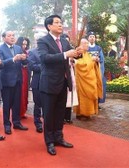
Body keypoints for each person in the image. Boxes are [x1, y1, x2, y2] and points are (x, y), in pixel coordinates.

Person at [37, 15, 80, 155]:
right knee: (49, 114)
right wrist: (65, 54)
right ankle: (49, 142)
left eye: (61, 22)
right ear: (49, 26)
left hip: (63, 83)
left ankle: (59, 137)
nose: (60, 25)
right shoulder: (43, 41)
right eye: (57, 23)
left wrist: (77, 53)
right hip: (49, 83)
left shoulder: (64, 41)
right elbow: (44, 58)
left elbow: (71, 54)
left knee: (60, 113)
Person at [0, 31, 28, 135]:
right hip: (6, 81)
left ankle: (17, 122)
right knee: (7, 104)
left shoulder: (18, 48)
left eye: (13, 35)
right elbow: (1, 64)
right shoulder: (0, 49)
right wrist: (14, 59)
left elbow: (24, 63)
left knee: (17, 103)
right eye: (9, 36)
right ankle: (7, 125)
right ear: (3, 38)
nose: (12, 37)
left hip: (18, 80)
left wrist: (24, 59)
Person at [75, 38, 103, 120]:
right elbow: (79, 65)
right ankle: (81, 113)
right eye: (85, 43)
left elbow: (90, 62)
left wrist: (95, 61)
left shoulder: (87, 53)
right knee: (83, 96)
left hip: (90, 79)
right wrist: (92, 60)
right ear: (81, 45)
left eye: (87, 43)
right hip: (82, 80)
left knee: (90, 95)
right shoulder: (78, 53)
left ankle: (88, 113)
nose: (87, 45)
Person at [28, 33, 44, 133]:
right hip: (37, 82)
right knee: (38, 104)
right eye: (38, 40)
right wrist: (45, 65)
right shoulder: (32, 52)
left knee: (48, 104)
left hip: (49, 82)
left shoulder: (50, 51)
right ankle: (38, 123)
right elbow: (32, 67)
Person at [61, 34, 78, 124]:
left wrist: (73, 60)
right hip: (62, 77)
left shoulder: (71, 51)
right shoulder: (61, 53)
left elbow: (78, 59)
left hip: (70, 76)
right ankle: (62, 117)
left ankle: (68, 116)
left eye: (68, 41)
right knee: (63, 98)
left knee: (69, 96)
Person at [87, 32, 106, 107]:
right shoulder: (86, 48)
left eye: (93, 37)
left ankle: (97, 103)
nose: (92, 38)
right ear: (88, 38)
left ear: (95, 38)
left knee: (97, 86)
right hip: (88, 71)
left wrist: (101, 71)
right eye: (90, 36)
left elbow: (102, 60)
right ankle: (90, 103)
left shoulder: (98, 48)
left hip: (97, 70)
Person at [15, 37, 30, 119]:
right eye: (23, 44)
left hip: (26, 72)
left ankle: (23, 111)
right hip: (20, 72)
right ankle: (19, 112)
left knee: (25, 92)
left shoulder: (26, 52)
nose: (24, 46)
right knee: (20, 92)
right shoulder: (16, 51)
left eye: (25, 44)